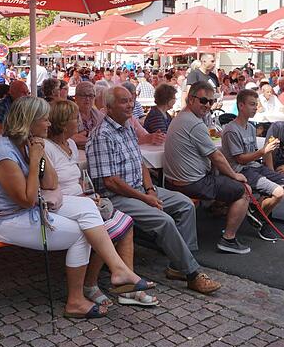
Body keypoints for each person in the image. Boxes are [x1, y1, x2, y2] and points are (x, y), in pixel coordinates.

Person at [0, 96, 154, 319]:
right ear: (29, 121)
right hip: (1, 220)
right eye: (45, 120)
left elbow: (49, 183)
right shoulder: (3, 154)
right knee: (81, 234)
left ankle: (117, 269)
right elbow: (27, 199)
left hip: (26, 210)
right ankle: (76, 300)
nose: (49, 124)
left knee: (87, 207)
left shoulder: (26, 143)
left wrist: (41, 157)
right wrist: (35, 160)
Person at [86, 86, 221, 294]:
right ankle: (193, 273)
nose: (130, 105)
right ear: (109, 107)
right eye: (123, 101)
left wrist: (150, 190)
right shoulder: (101, 135)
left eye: (131, 100)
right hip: (115, 197)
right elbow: (110, 182)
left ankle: (179, 265)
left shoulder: (128, 127)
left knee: (185, 205)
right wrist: (144, 197)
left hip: (139, 189)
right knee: (164, 221)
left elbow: (140, 163)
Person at [45, 100, 157, 307]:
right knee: (107, 227)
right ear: (62, 122)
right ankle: (93, 283)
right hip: (61, 205)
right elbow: (48, 186)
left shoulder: (69, 144)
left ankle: (126, 284)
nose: (79, 121)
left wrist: (89, 194)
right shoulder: (46, 149)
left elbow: (75, 179)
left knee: (124, 223)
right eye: (74, 118)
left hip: (82, 200)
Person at [163, 81, 251, 254]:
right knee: (244, 190)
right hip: (191, 183)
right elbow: (216, 156)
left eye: (210, 102)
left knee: (221, 178)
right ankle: (229, 239)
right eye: (203, 101)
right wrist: (234, 175)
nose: (208, 105)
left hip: (172, 180)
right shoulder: (195, 123)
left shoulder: (180, 117)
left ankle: (216, 207)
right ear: (191, 99)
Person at [221, 90, 284, 242]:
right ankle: (262, 220)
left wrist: (264, 152)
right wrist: (264, 151)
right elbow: (240, 159)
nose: (255, 108)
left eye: (256, 104)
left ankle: (257, 214)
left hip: (254, 166)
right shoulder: (231, 129)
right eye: (252, 104)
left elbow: (253, 154)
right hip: (241, 171)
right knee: (278, 192)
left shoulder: (250, 127)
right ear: (241, 106)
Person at [72, 81, 103, 148]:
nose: (87, 99)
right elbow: (70, 138)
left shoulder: (99, 115)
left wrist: (85, 135)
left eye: (91, 95)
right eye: (83, 95)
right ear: (76, 97)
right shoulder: (70, 114)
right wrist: (94, 138)